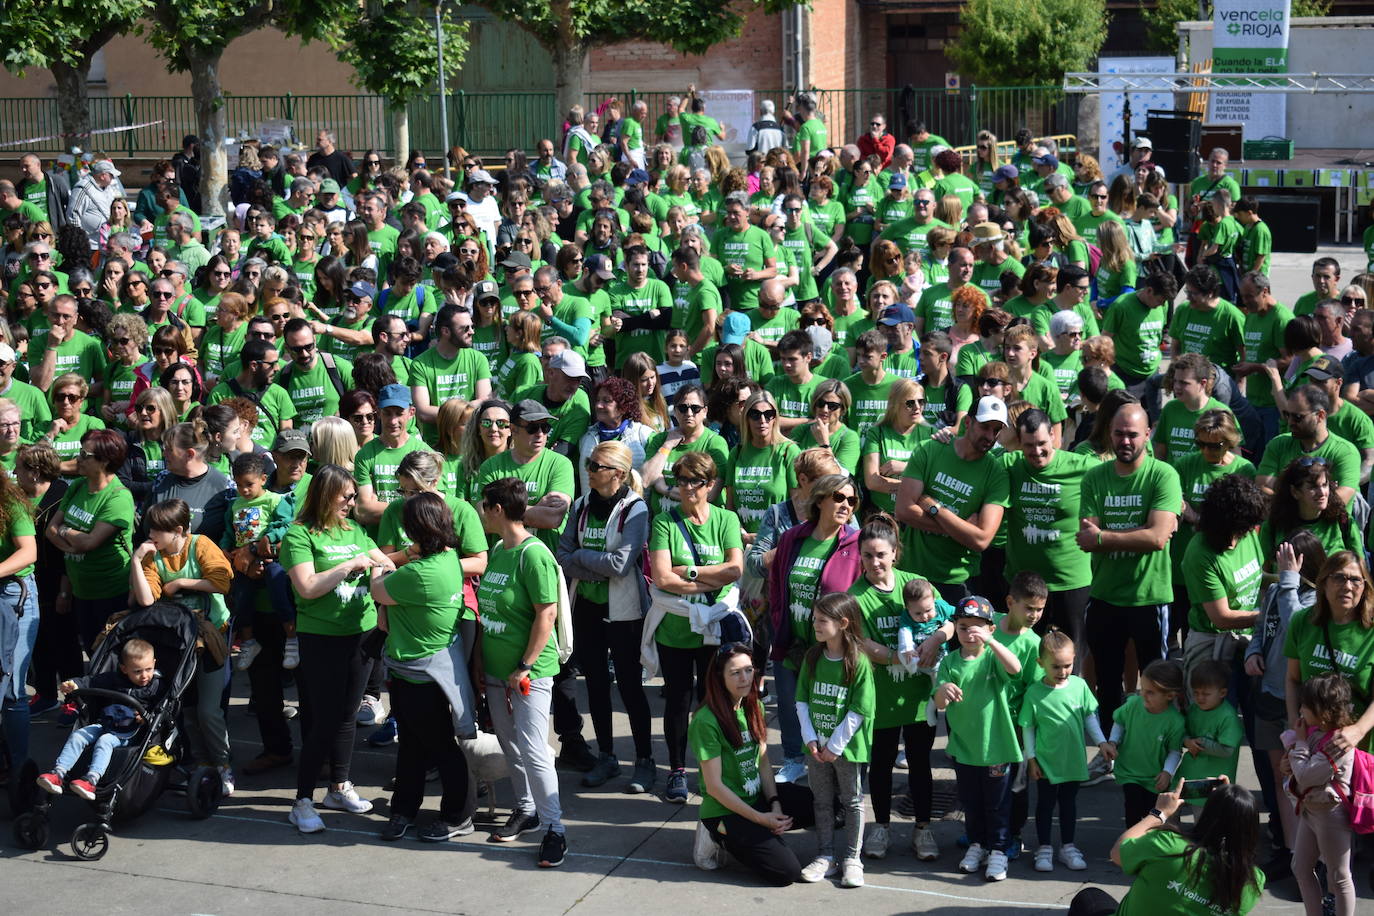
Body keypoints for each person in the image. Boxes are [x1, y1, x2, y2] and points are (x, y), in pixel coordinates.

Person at [281, 464, 395, 835]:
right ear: (324, 494)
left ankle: (338, 786)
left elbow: (383, 561)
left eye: (352, 496)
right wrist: (349, 566)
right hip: (322, 638)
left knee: (348, 715)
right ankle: (301, 801)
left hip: (361, 635)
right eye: (344, 496)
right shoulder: (299, 535)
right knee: (325, 719)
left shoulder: (356, 530)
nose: (351, 502)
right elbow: (308, 587)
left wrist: (381, 570)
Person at [1076, 404, 1181, 773]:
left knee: (1157, 685)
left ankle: (1159, 759)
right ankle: (1109, 755)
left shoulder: (1163, 475)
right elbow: (1086, 539)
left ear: (1147, 434)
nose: (1125, 440)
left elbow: (1156, 538)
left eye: (1132, 434)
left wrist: (1105, 536)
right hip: (1105, 596)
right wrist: (1120, 536)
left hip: (1150, 598)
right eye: (1119, 433)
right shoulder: (1095, 477)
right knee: (1107, 685)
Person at [370, 492, 478, 843]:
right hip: (419, 672)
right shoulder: (448, 559)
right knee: (413, 745)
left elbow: (377, 590)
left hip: (420, 676)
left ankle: (457, 816)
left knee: (438, 747)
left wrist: (379, 564)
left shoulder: (417, 574)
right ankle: (403, 809)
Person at [475, 476, 569, 867]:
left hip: (528, 672)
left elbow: (546, 613)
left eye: (484, 506)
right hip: (497, 673)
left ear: (497, 511)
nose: (480, 512)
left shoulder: (534, 555)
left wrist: (525, 665)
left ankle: (555, 830)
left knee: (533, 749)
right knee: (511, 744)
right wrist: (483, 665)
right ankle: (528, 809)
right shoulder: (498, 549)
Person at [847, 516, 949, 861]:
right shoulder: (855, 597)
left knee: (920, 762)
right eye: (867, 556)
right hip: (882, 697)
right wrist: (897, 658)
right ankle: (882, 827)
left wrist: (936, 638)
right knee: (881, 764)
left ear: (895, 553)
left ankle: (923, 829)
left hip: (920, 697)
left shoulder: (915, 584)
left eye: (880, 555)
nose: (874, 563)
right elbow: (859, 643)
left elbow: (951, 618)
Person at [556, 441, 655, 793]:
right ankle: (607, 756)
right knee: (596, 685)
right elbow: (562, 553)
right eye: (589, 463)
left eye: (596, 465)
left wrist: (585, 560)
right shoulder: (581, 505)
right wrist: (591, 565)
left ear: (618, 472)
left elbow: (621, 564)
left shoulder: (636, 509)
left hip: (625, 611)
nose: (589, 470)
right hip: (587, 607)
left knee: (629, 686)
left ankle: (644, 760)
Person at [646, 451, 744, 804]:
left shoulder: (725, 519)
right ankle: (675, 771)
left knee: (714, 702)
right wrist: (706, 578)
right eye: (680, 480)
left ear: (710, 484)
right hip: (675, 629)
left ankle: (713, 773)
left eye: (694, 481)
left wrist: (685, 573)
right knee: (677, 700)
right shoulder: (664, 521)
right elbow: (660, 576)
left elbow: (734, 570)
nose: (686, 487)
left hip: (715, 629)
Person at [130, 498, 234, 794]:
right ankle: (202, 765)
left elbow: (222, 581)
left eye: (157, 531)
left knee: (208, 711)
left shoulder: (200, 545)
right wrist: (137, 561)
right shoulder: (153, 554)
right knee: (185, 709)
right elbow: (147, 599)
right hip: (179, 640)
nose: (151, 535)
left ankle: (223, 765)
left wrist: (180, 584)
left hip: (212, 636)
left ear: (177, 530)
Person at [689, 642, 812, 885]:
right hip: (725, 810)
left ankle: (758, 833)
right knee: (785, 873)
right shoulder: (705, 720)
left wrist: (775, 805)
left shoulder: (754, 705)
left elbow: (763, 761)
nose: (744, 678)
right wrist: (761, 819)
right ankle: (715, 835)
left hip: (757, 798)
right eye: (735, 672)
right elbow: (714, 787)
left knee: (829, 805)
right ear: (719, 677)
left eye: (748, 670)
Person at [1067, 777, 1264, 916]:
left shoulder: (1169, 846)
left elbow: (1117, 852)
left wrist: (1158, 813)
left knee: (1088, 898)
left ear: (1209, 814)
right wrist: (1230, 800)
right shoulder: (1253, 881)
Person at [933, 595, 1023, 881]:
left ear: (990, 629)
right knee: (971, 803)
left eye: (977, 627)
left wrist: (992, 642)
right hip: (965, 748)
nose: (970, 633)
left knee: (997, 804)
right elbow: (939, 704)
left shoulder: (992, 658)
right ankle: (977, 844)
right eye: (963, 626)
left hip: (995, 748)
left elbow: (1016, 668)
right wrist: (943, 690)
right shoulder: (949, 662)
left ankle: (998, 850)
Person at [894, 395, 1010, 603]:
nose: (990, 435)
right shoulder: (929, 449)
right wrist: (963, 529)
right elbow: (903, 510)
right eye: (985, 427)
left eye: (996, 429)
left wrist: (935, 508)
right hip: (911, 572)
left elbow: (982, 540)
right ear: (968, 422)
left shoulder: (997, 474)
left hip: (958, 580)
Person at [794, 592, 874, 889]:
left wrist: (835, 746)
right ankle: (825, 855)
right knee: (822, 801)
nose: (815, 624)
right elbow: (801, 699)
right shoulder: (813, 657)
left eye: (822, 620)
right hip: (816, 750)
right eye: (814, 619)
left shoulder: (858, 661)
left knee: (852, 801)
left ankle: (853, 859)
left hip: (846, 750)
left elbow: (859, 710)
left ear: (843, 623)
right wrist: (811, 739)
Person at [1021, 630, 1108, 873]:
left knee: (1069, 804)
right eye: (1056, 667)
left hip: (1073, 760)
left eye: (1068, 666)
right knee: (1045, 804)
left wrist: (1101, 743)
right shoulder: (1034, 693)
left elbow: (1090, 717)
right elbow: (1028, 727)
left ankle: (1068, 846)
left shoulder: (1080, 686)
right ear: (1041, 664)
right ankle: (1045, 848)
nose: (1062, 672)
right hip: (1046, 761)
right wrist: (1031, 759)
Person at [36, 639, 163, 801]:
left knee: (105, 741)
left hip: (131, 733)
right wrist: (74, 684)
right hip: (107, 723)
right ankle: (58, 774)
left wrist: (148, 716)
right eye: (137, 671)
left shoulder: (156, 686)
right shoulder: (113, 679)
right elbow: (91, 681)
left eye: (148, 669)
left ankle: (91, 780)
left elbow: (162, 707)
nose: (144, 675)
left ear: (154, 663)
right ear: (124, 669)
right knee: (78, 735)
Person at [46, 428, 134, 651]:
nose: (78, 459)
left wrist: (65, 531)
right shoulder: (77, 486)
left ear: (104, 461)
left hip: (112, 594)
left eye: (85, 455)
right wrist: (74, 541)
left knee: (111, 656)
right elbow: (50, 530)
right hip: (80, 591)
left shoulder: (118, 497)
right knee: (91, 651)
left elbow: (89, 543)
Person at [1283, 673, 1359, 916]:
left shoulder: (1339, 741)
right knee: (1301, 867)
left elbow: (1306, 776)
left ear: (1323, 710)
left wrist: (1301, 744)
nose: (1301, 709)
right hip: (1311, 810)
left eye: (1305, 705)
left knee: (1339, 876)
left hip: (1331, 815)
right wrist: (1290, 760)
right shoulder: (1317, 731)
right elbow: (1299, 769)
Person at [1284, 550, 1374, 755]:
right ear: (1324, 583)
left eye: (1355, 580)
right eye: (1339, 578)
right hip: (1312, 742)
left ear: (1364, 587)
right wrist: (1293, 726)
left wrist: (1357, 731)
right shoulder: (1302, 621)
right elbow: (1292, 678)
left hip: (1359, 747)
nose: (1347, 586)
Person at [1100, 658, 1185, 824]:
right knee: (1132, 809)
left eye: (1150, 692)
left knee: (1151, 815)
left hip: (1154, 776)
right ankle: (1130, 844)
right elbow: (1120, 722)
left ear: (1170, 695)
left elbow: (1175, 751)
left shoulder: (1175, 721)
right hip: (1129, 771)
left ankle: (1148, 845)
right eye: (1143, 689)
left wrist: (1168, 772)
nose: (1143, 694)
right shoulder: (1134, 704)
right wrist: (1113, 742)